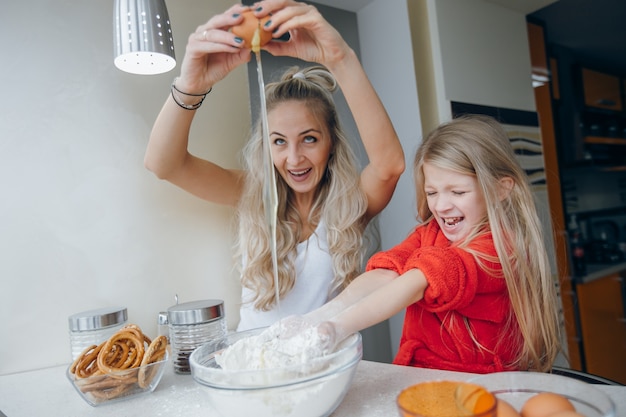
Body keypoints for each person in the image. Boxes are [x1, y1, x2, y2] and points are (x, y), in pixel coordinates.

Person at [144, 0, 405, 331]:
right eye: (279, 141)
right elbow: (163, 164)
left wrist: (340, 58)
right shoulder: (251, 192)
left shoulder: (348, 207)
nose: (294, 158)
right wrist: (191, 85)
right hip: (253, 367)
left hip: (323, 367)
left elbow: (390, 166)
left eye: (309, 139)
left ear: (331, 143)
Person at [269, 115, 562, 374]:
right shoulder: (430, 233)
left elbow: (418, 281)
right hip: (421, 380)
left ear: (500, 189)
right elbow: (387, 273)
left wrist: (337, 329)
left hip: (475, 390)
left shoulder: (499, 249)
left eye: (457, 192)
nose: (442, 205)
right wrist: (317, 318)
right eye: (432, 192)